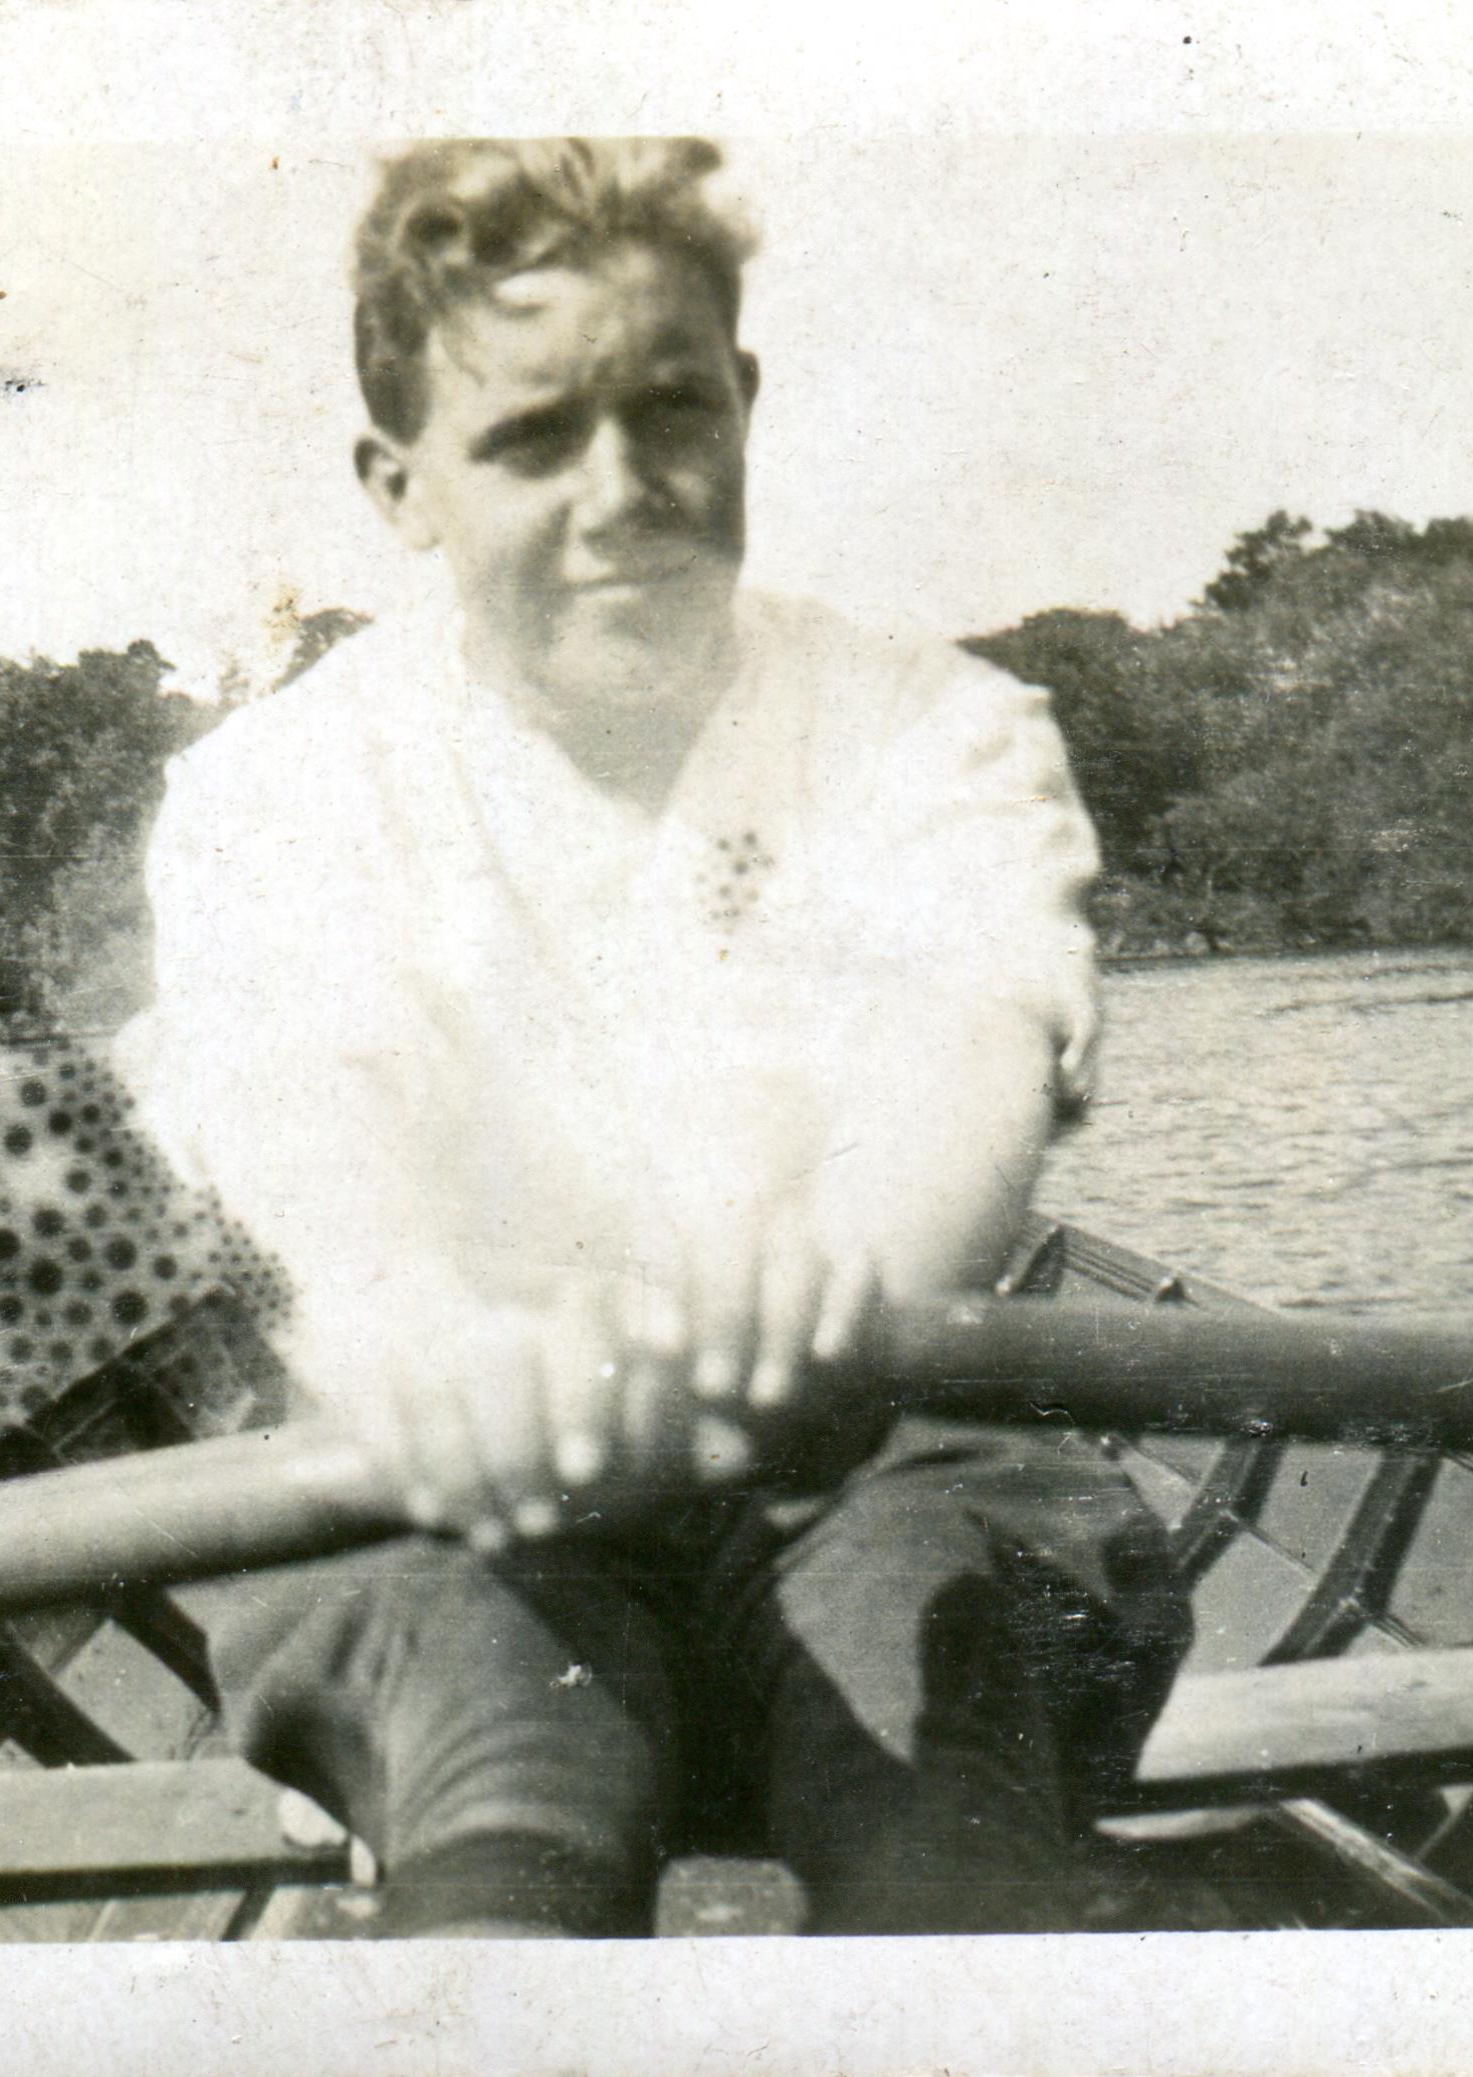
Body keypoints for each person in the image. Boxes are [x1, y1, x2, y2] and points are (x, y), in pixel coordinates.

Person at [124, 137, 1191, 1937]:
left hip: (883, 1447)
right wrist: (420, 1333)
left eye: (673, 409)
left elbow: (973, 1045)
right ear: (403, 486)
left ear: (745, 402)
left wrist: (852, 1263)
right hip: (449, 1485)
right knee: (509, 1795)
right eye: (535, 439)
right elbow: (302, 1128)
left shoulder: (939, 727)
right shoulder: (269, 793)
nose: (625, 492)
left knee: (943, 1812)